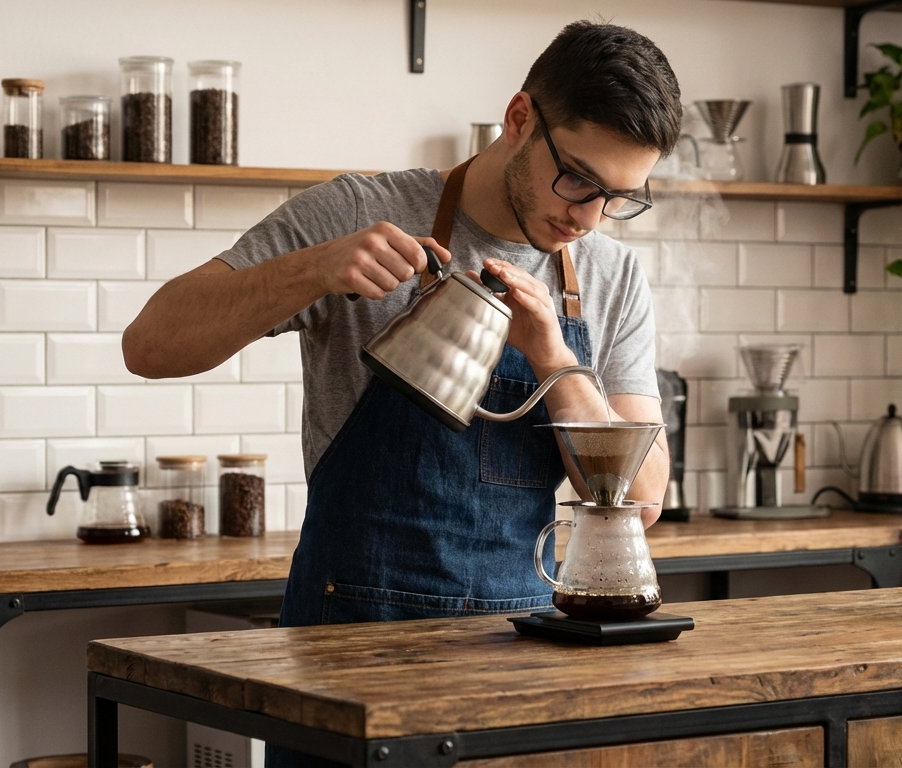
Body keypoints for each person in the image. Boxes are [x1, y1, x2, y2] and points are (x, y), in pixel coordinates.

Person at [124, 23, 677, 761]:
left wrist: (553, 358)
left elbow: (642, 497)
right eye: (577, 179)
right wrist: (313, 270)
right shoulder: (357, 212)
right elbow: (150, 344)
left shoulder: (610, 276)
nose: (588, 217)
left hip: (518, 659)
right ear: (519, 119)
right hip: (346, 653)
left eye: (618, 197)